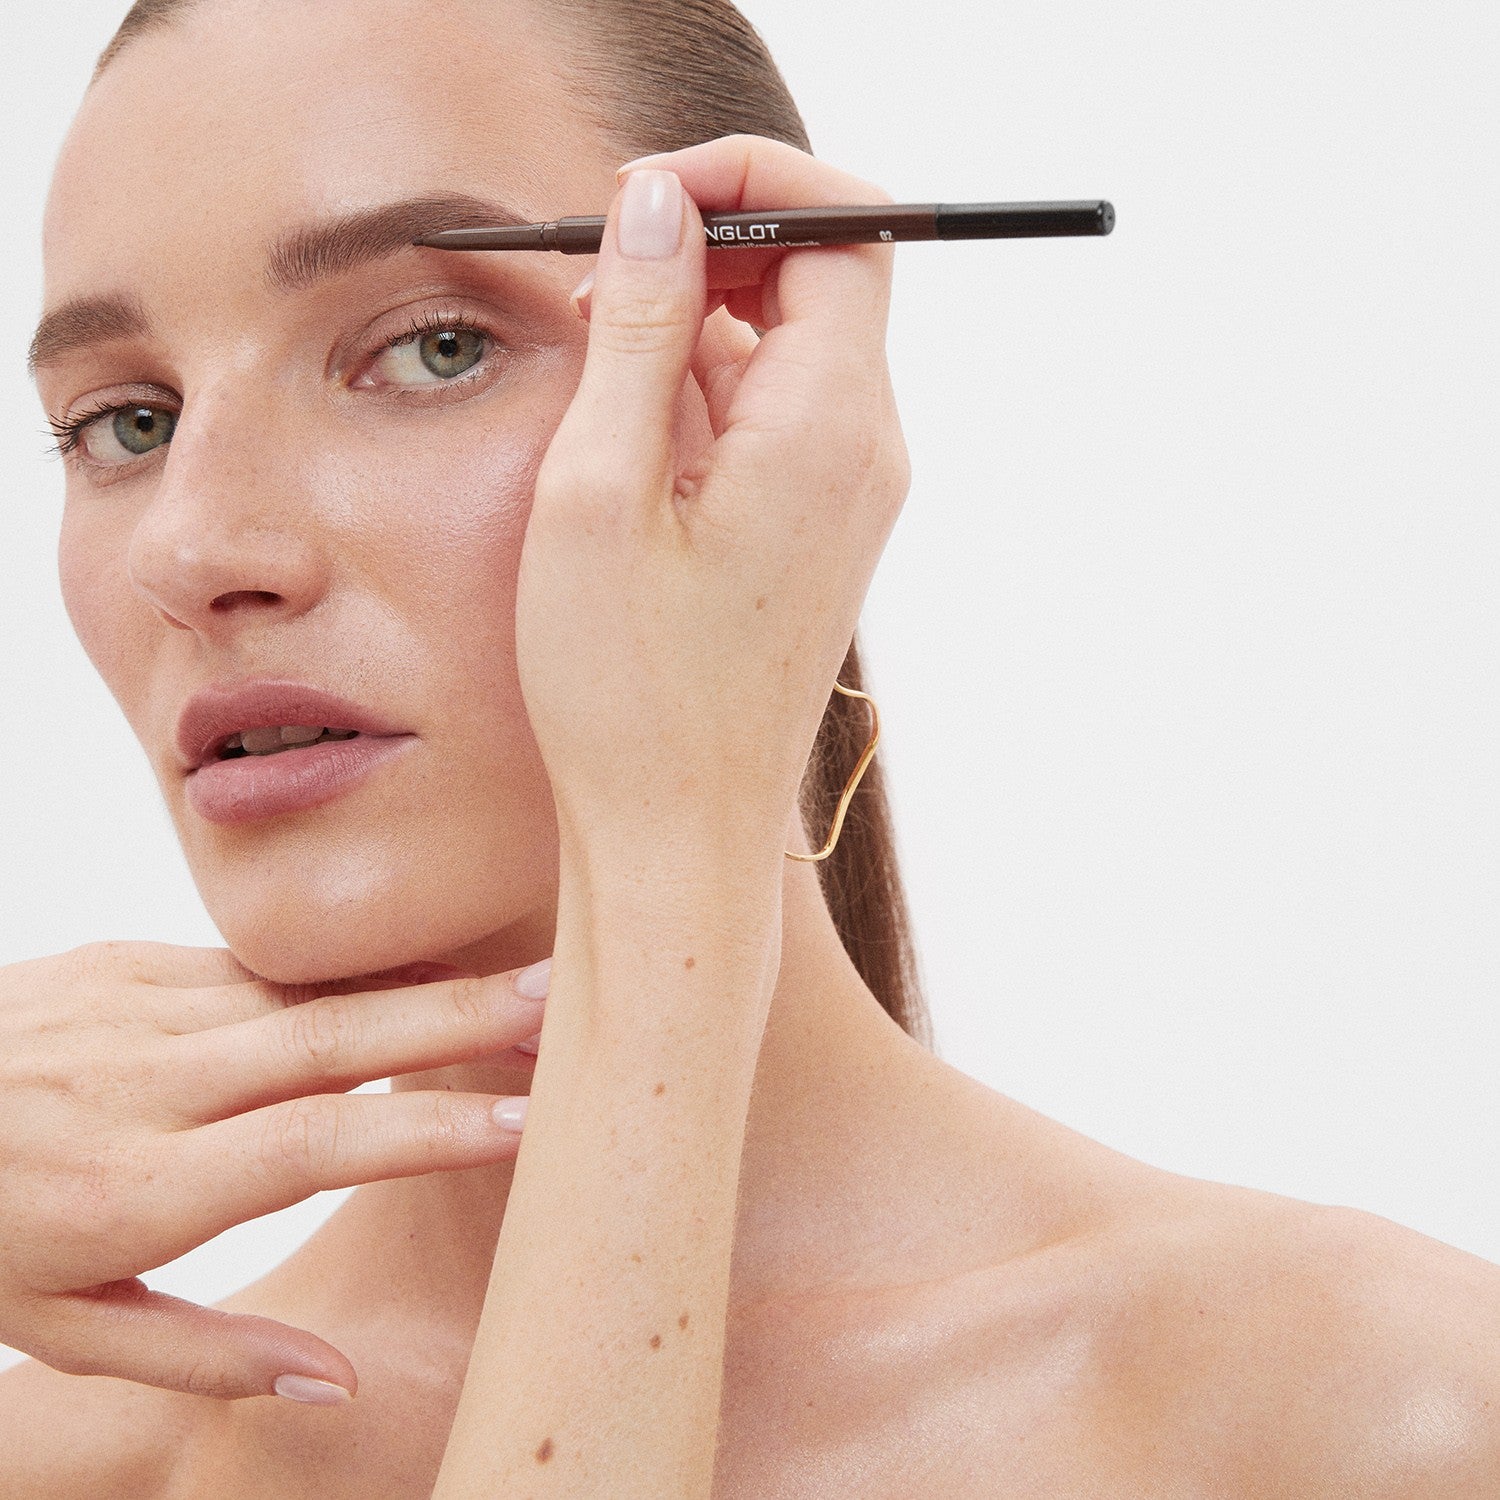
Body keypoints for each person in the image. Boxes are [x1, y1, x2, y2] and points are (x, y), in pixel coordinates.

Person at [1, 0, 1496, 1494]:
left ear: (764, 381)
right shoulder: (67, 1460)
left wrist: (669, 844)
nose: (190, 547)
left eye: (433, 348)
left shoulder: (1380, 1418)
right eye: (125, 423)